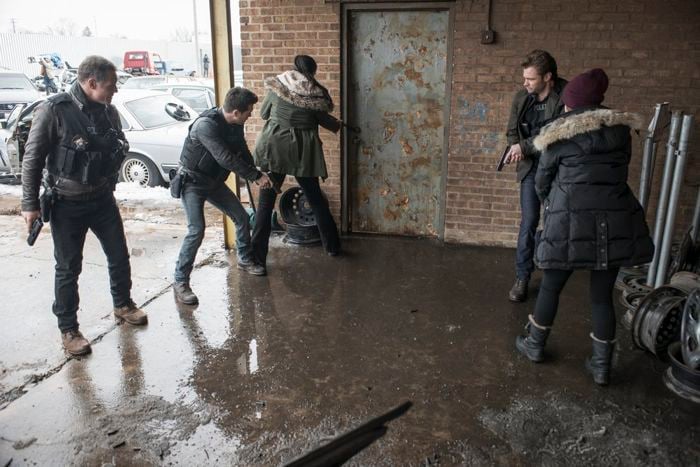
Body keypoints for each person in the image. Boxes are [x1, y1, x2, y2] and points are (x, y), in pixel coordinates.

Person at [514, 68, 653, 385]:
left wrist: (554, 202)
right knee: (602, 296)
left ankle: (535, 345)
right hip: (613, 221)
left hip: (568, 220)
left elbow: (542, 180)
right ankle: (602, 367)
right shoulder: (620, 132)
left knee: (551, 285)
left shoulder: (558, 134)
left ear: (574, 104)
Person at [21, 55, 148, 356]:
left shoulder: (109, 112)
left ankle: (123, 304)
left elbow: (116, 149)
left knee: (118, 254)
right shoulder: (54, 111)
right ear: (92, 83)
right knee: (68, 268)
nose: (115, 91)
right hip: (66, 204)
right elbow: (32, 158)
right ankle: (68, 329)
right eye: (111, 86)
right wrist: (29, 204)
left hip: (102, 199)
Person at [173, 87, 272, 305]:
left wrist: (255, 168)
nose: (250, 115)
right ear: (236, 112)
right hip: (193, 183)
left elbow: (241, 149)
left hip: (214, 182)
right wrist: (254, 176)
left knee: (242, 218)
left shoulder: (236, 124)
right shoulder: (206, 125)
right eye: (248, 112)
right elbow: (224, 157)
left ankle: (245, 259)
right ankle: (180, 282)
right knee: (196, 230)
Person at [251, 54, 342, 271]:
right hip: (303, 154)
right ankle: (332, 247)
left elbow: (264, 114)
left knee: (265, 203)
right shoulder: (315, 94)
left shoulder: (279, 86)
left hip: (275, 150)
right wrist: (339, 126)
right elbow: (324, 120)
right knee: (316, 199)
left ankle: (256, 260)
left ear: (294, 67)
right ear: (313, 71)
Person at [505, 50, 568, 302]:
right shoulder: (522, 98)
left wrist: (524, 146)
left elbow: (557, 134)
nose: (525, 83)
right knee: (529, 222)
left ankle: (551, 274)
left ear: (548, 77)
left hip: (557, 169)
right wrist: (514, 147)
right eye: (524, 78)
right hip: (531, 169)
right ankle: (522, 277)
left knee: (556, 222)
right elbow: (512, 131)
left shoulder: (566, 96)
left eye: (530, 79)